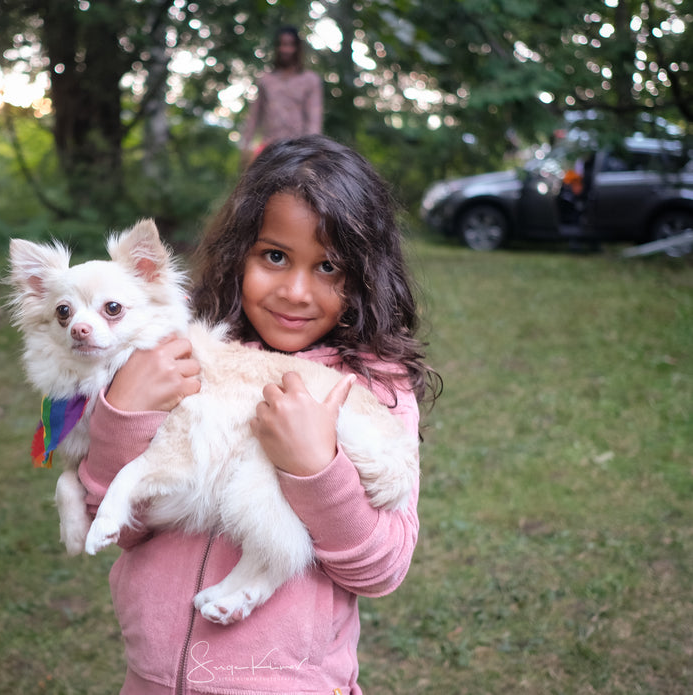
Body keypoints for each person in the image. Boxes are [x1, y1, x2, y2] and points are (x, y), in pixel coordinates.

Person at [78, 135, 439, 694]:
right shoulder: (182, 357)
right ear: (239, 252)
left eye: (328, 267)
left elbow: (381, 568)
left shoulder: (369, 387)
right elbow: (117, 525)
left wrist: (315, 468)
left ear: (365, 275)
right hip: (150, 679)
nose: (296, 291)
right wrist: (123, 412)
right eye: (275, 257)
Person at [239, 26, 323, 166]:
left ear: (297, 48)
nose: (285, 49)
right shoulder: (266, 80)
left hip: (297, 151)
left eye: (290, 45)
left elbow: (314, 120)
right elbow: (254, 117)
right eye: (282, 45)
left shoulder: (310, 80)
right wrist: (246, 147)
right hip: (269, 150)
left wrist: (310, 152)